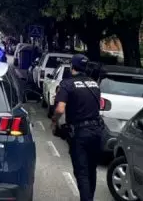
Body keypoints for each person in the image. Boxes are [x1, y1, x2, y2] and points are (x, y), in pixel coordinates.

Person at [51, 54, 103, 201]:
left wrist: (54, 121)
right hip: (97, 131)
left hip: (80, 133)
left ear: (72, 67)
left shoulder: (67, 84)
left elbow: (60, 109)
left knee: (82, 172)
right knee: (91, 170)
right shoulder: (94, 84)